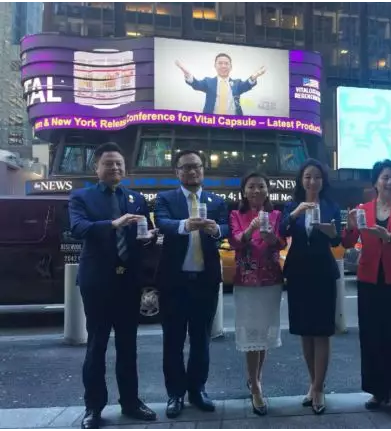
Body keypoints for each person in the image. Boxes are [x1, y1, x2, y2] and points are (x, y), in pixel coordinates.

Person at [68, 142, 157, 429]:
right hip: (98, 282)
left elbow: (143, 235)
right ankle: (93, 407)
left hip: (128, 282)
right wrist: (113, 223)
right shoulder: (81, 197)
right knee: (97, 345)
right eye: (108, 163)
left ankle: (130, 402)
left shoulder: (136, 198)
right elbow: (79, 228)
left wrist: (150, 237)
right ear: (96, 168)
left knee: (128, 346)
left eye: (119, 163)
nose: (115, 168)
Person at [342, 159, 391, 417]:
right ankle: (378, 391)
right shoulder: (362, 209)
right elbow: (347, 242)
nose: (390, 182)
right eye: (385, 177)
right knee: (372, 337)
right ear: (376, 182)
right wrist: (350, 226)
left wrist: (389, 237)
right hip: (369, 280)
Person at [154, 149, 228, 418]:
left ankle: (198, 390)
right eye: (186, 167)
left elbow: (227, 226)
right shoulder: (165, 199)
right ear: (177, 172)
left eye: (196, 166)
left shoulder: (216, 201)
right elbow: (163, 223)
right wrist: (186, 225)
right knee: (173, 341)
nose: (192, 171)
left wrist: (216, 229)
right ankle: (175, 394)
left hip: (205, 282)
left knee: (201, 340)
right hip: (174, 282)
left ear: (203, 170)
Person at [279, 158, 342, 415]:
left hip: (323, 272)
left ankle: (318, 388)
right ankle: (313, 383)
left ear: (323, 181)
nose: (312, 181)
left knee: (322, 331)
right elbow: (281, 229)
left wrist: (330, 231)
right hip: (298, 272)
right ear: (301, 180)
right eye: (307, 177)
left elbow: (337, 239)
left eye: (317, 177)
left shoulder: (331, 206)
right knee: (305, 330)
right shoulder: (291, 205)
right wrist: (296, 213)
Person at [229, 171, 286, 416]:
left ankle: (256, 379)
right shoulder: (236, 214)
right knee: (251, 334)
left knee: (263, 334)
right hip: (246, 280)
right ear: (243, 191)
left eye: (261, 186)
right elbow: (234, 241)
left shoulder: (276, 215)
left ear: (267, 190)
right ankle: (255, 386)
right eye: (251, 186)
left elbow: (282, 243)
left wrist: (272, 238)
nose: (256, 191)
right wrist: (250, 230)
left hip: (271, 280)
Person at [175, 53, 266, 115]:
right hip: (211, 123)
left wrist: (254, 76)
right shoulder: (208, 82)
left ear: (231, 67)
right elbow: (196, 84)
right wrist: (187, 74)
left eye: (226, 63)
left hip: (234, 124)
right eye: (220, 63)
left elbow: (247, 85)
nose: (223, 66)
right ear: (215, 66)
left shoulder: (237, 83)